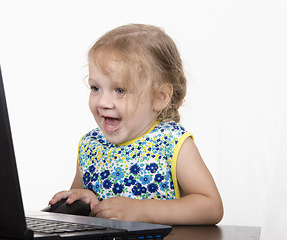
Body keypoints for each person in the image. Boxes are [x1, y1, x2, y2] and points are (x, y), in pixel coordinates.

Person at [49, 24, 223, 225]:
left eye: (120, 90)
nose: (103, 102)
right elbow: (87, 208)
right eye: (96, 88)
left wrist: (142, 210)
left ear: (160, 97)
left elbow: (212, 206)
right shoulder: (90, 145)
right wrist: (85, 200)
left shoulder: (171, 142)